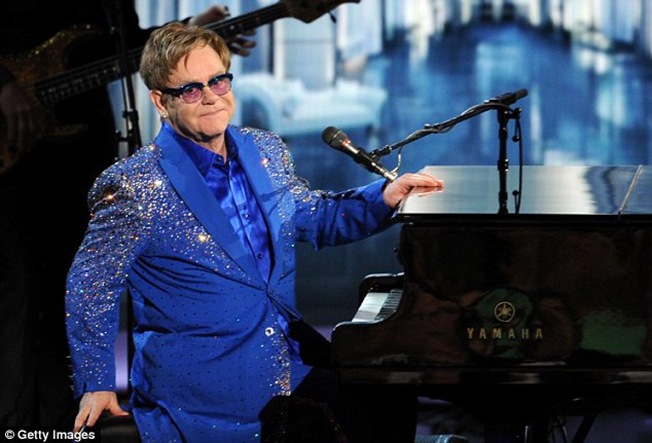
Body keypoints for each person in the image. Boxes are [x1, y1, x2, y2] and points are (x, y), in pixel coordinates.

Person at [65, 22, 445, 442]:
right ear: (160, 101)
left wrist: (385, 197)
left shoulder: (263, 149)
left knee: (388, 397)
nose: (211, 96)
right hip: (203, 394)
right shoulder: (134, 185)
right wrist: (96, 382)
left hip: (289, 361)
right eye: (190, 89)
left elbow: (312, 215)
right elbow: (90, 285)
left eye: (218, 81)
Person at [0, 1, 253, 429]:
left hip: (79, 161)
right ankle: (14, 426)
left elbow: (117, 45)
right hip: (16, 162)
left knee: (66, 298)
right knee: (18, 298)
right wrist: (5, 85)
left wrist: (187, 30)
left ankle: (65, 428)